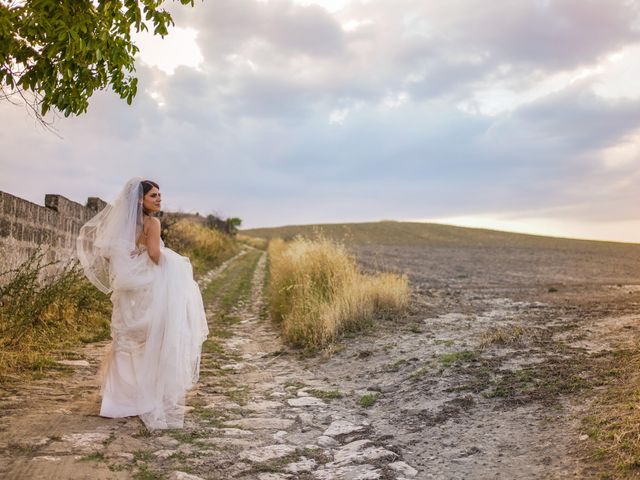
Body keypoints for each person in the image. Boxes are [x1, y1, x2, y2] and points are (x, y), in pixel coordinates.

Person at [77, 178, 209, 430]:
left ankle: (117, 400)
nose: (159, 199)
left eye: (160, 194)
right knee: (150, 338)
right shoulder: (152, 222)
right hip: (149, 286)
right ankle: (144, 398)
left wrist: (130, 261)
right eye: (153, 195)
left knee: (126, 338)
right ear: (141, 199)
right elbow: (155, 254)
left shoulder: (124, 225)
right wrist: (174, 264)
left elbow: (107, 253)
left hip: (128, 287)